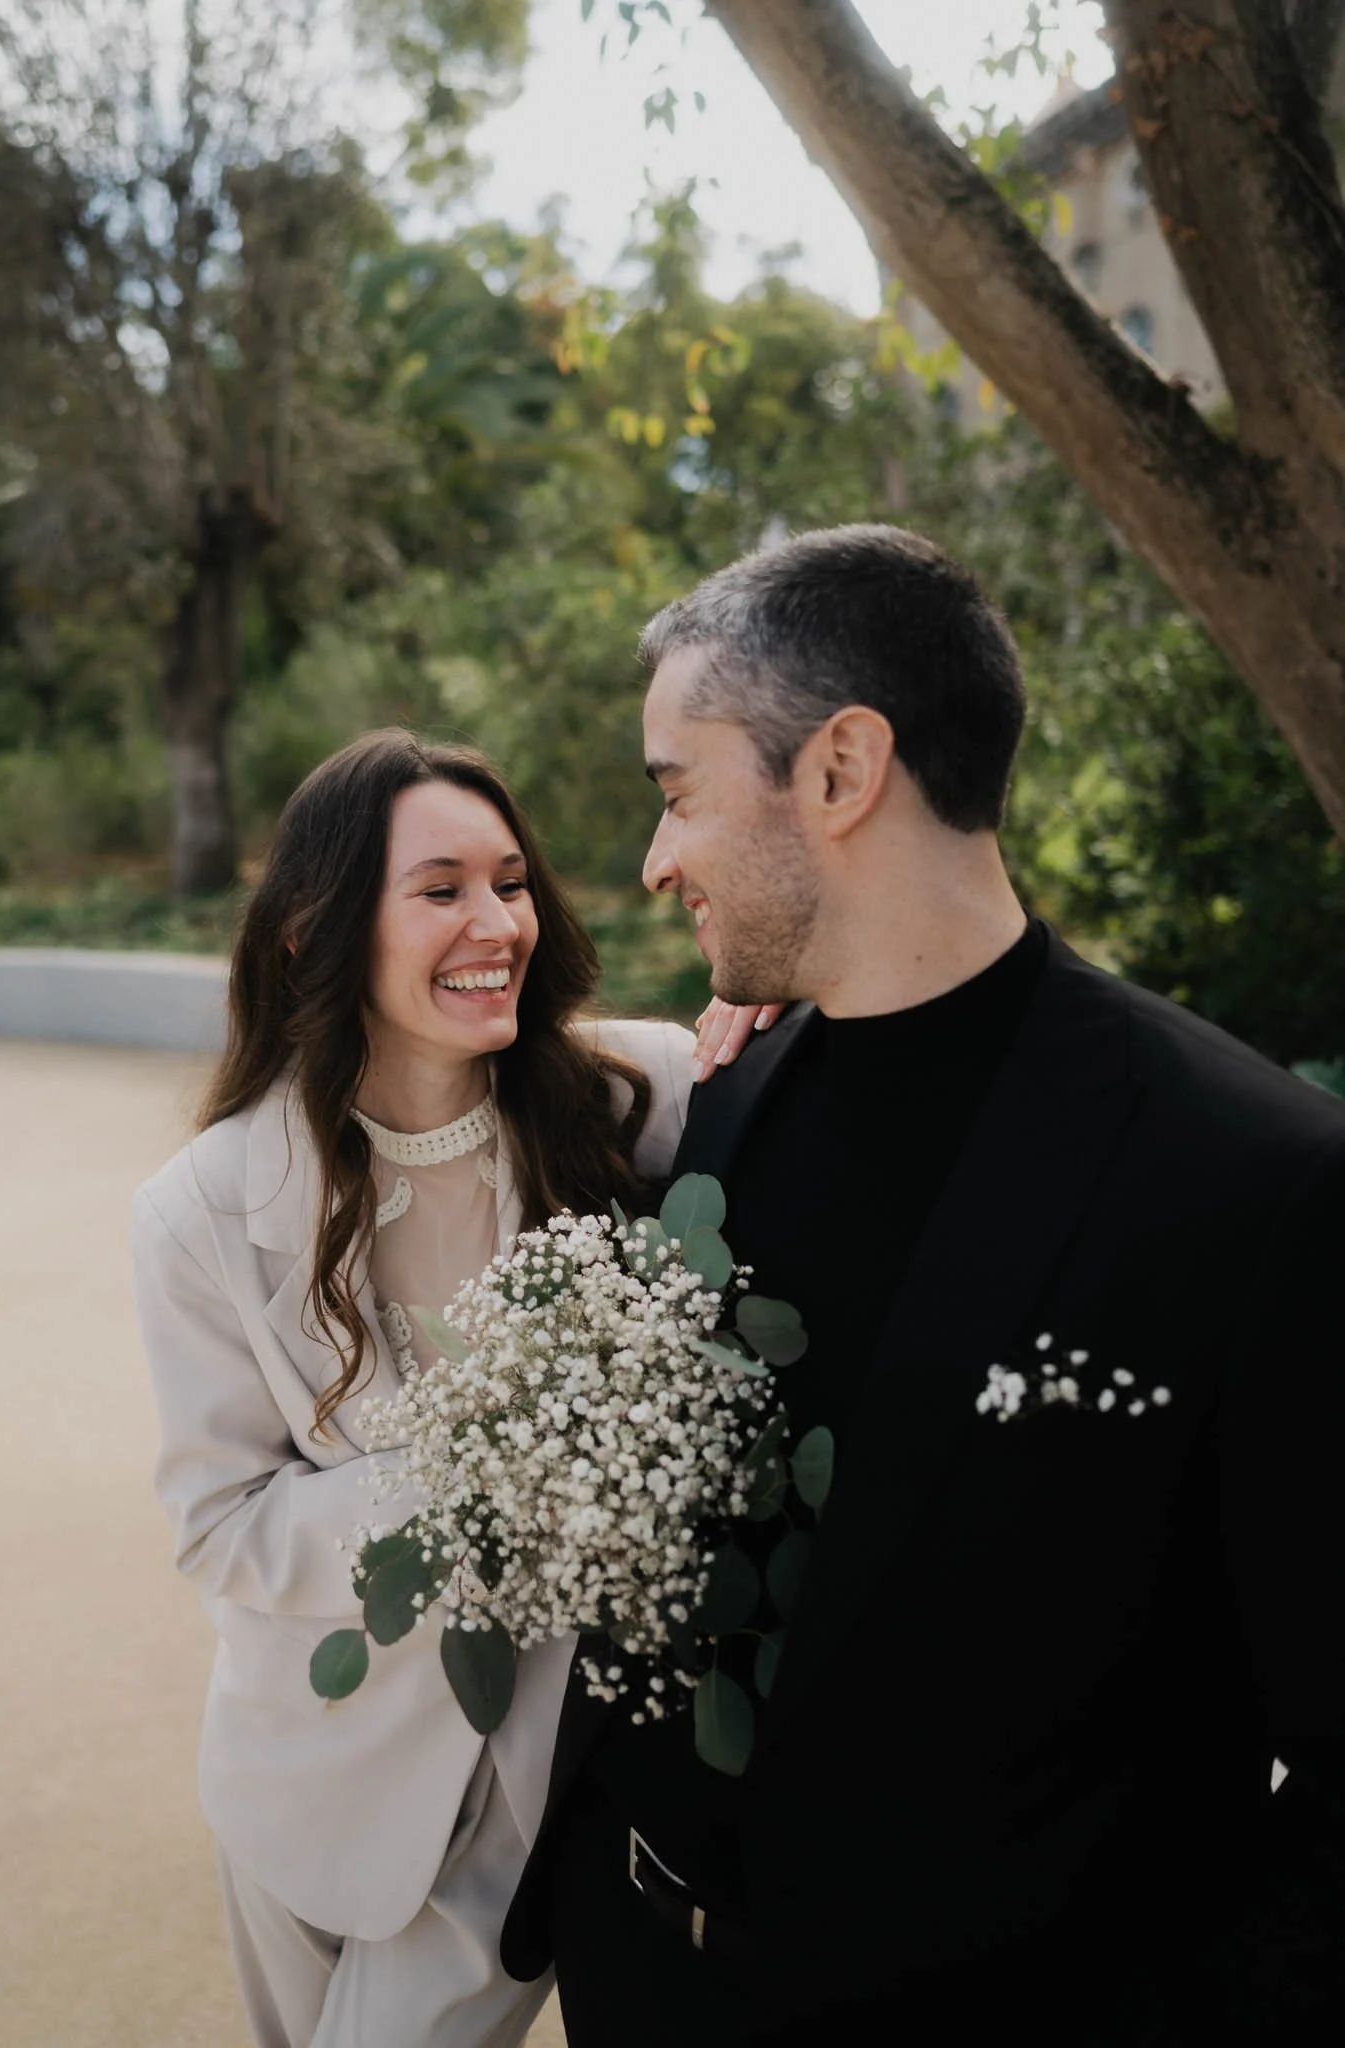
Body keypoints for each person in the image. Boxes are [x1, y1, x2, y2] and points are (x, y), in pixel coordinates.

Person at [502, 524, 1345, 2046]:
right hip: (637, 1977)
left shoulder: (1255, 1178)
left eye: (675, 792)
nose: (654, 858)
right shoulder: (730, 1098)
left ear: (839, 771)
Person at [131, 730, 761, 2048]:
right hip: (299, 1781)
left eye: (512, 882)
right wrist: (482, 1462)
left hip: (525, 1784)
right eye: (442, 889)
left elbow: (840, 1089)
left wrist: (776, 1021)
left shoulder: (636, 1099)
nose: (499, 923)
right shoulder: (200, 1212)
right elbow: (220, 1527)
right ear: (313, 930)